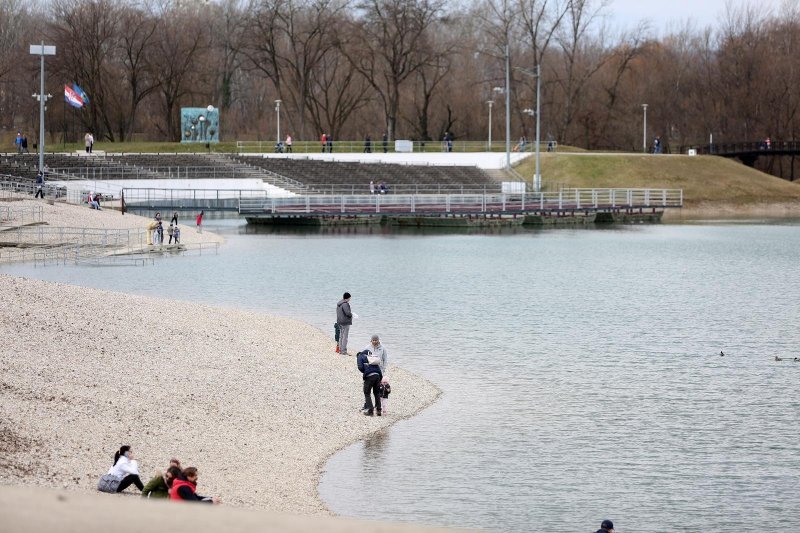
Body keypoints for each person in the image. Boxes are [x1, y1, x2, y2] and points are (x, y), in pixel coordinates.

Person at [357, 335, 386, 416]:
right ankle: (379, 410)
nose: (374, 341)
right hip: (378, 374)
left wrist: (365, 372)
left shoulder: (360, 357)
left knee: (367, 392)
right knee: (376, 392)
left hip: (370, 376)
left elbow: (360, 367)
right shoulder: (371, 357)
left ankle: (370, 410)